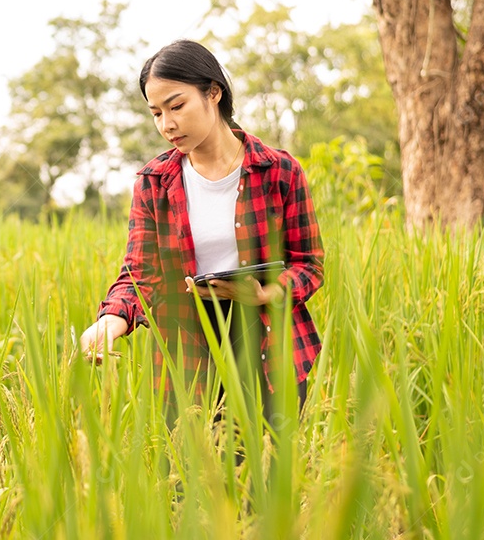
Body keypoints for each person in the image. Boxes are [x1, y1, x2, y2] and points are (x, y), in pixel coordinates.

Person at [78, 39, 323, 423]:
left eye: (177, 106)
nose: (167, 124)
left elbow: (308, 264)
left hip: (269, 347)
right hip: (189, 353)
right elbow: (139, 274)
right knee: (189, 480)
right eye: (156, 113)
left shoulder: (279, 171)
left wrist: (265, 293)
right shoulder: (154, 181)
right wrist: (111, 319)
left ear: (213, 92)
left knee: (270, 479)